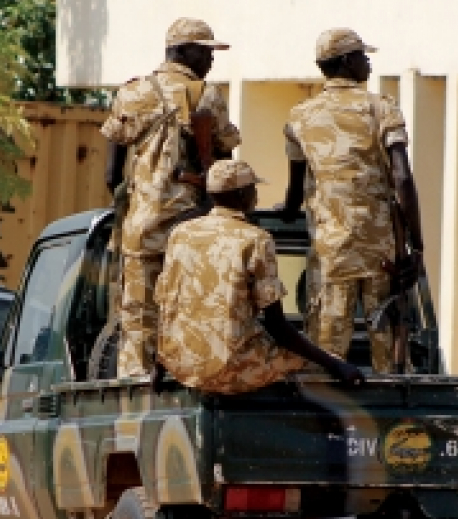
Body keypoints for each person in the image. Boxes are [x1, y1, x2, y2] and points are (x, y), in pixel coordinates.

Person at [101, 17, 241, 377]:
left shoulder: (131, 92)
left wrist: (137, 203)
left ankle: (135, 397)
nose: (212, 60)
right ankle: (182, 390)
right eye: (206, 51)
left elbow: (111, 174)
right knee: (188, 315)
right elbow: (225, 168)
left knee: (137, 319)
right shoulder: (205, 95)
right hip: (190, 232)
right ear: (182, 51)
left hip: (140, 230)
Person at [279, 28, 424, 374]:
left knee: (327, 354)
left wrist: (285, 212)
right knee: (389, 354)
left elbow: (296, 189)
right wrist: (417, 245)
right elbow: (402, 178)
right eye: (362, 55)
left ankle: (326, 422)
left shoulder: (300, 117)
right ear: (347, 61)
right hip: (382, 253)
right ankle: (390, 421)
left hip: (331, 254)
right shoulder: (381, 108)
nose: (368, 62)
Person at [154, 159, 364, 394]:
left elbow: (166, 305)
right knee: (318, 362)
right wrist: (335, 365)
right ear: (243, 194)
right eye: (253, 189)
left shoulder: (180, 234)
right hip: (229, 369)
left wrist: (160, 365)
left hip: (180, 364)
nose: (256, 195)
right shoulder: (256, 240)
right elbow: (278, 326)